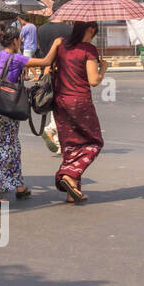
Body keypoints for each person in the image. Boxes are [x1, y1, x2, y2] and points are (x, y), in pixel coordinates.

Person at [38, 20, 108, 204]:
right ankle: (68, 175)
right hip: (80, 101)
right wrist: (103, 69)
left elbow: (48, 66)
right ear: (91, 29)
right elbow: (93, 80)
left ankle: (72, 191)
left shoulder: (62, 45)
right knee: (93, 142)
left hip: (60, 101)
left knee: (70, 144)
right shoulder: (88, 50)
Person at [0, 27, 50, 202]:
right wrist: (56, 43)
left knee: (13, 145)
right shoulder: (17, 59)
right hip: (9, 109)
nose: (21, 43)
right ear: (15, 41)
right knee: (6, 146)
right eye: (20, 40)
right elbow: (46, 61)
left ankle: (20, 186)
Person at [34, 20, 71, 155]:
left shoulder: (41, 29)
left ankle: (58, 141)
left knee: (54, 102)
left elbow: (39, 50)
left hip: (46, 70)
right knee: (62, 104)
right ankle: (51, 130)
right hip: (63, 70)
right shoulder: (68, 30)